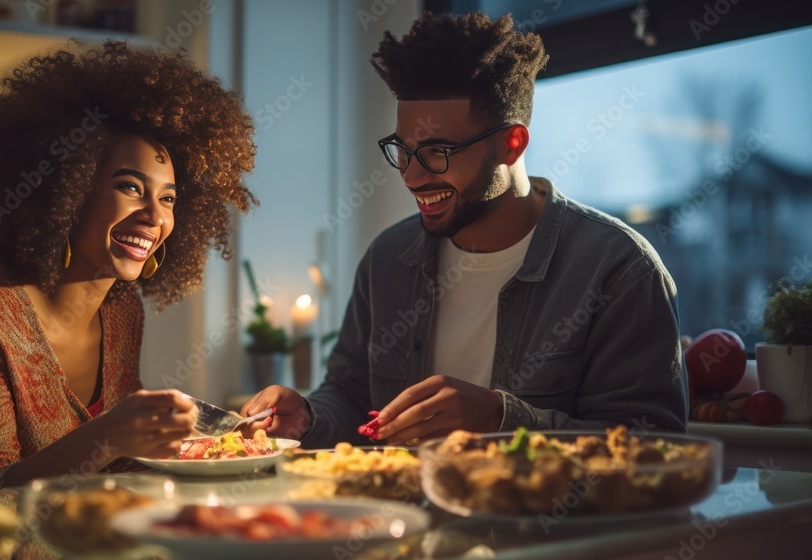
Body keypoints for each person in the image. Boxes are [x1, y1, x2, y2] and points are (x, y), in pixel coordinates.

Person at [242, 12, 686, 448]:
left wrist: (501, 418)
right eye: (404, 150)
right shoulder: (387, 258)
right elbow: (351, 395)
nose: (411, 178)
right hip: (400, 517)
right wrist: (309, 417)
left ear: (511, 144)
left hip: (538, 523)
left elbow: (653, 445)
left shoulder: (617, 268)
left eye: (438, 152)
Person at [0, 41, 256, 491]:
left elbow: (117, 472)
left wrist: (214, 440)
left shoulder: (123, 311)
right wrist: (107, 436)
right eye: (130, 187)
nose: (155, 216)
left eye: (167, 198)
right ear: (67, 191)